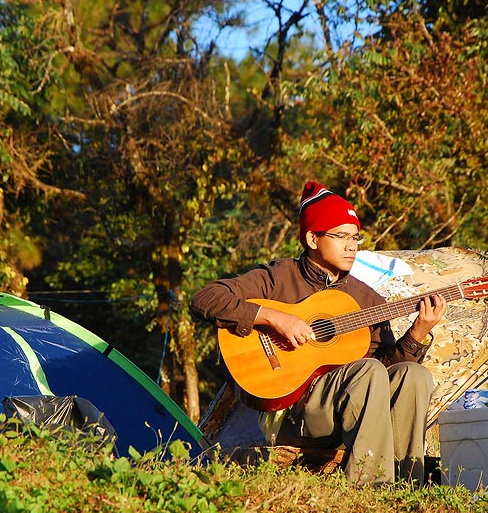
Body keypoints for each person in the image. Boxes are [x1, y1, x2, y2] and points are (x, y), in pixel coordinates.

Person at [191, 180, 446, 486]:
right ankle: (369, 488)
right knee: (367, 371)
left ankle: (408, 487)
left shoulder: (366, 299)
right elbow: (205, 298)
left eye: (356, 238)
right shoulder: (280, 277)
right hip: (294, 413)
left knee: (414, 376)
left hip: (350, 412)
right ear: (313, 238)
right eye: (341, 237)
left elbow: (388, 373)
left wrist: (417, 334)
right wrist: (274, 318)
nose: (352, 246)